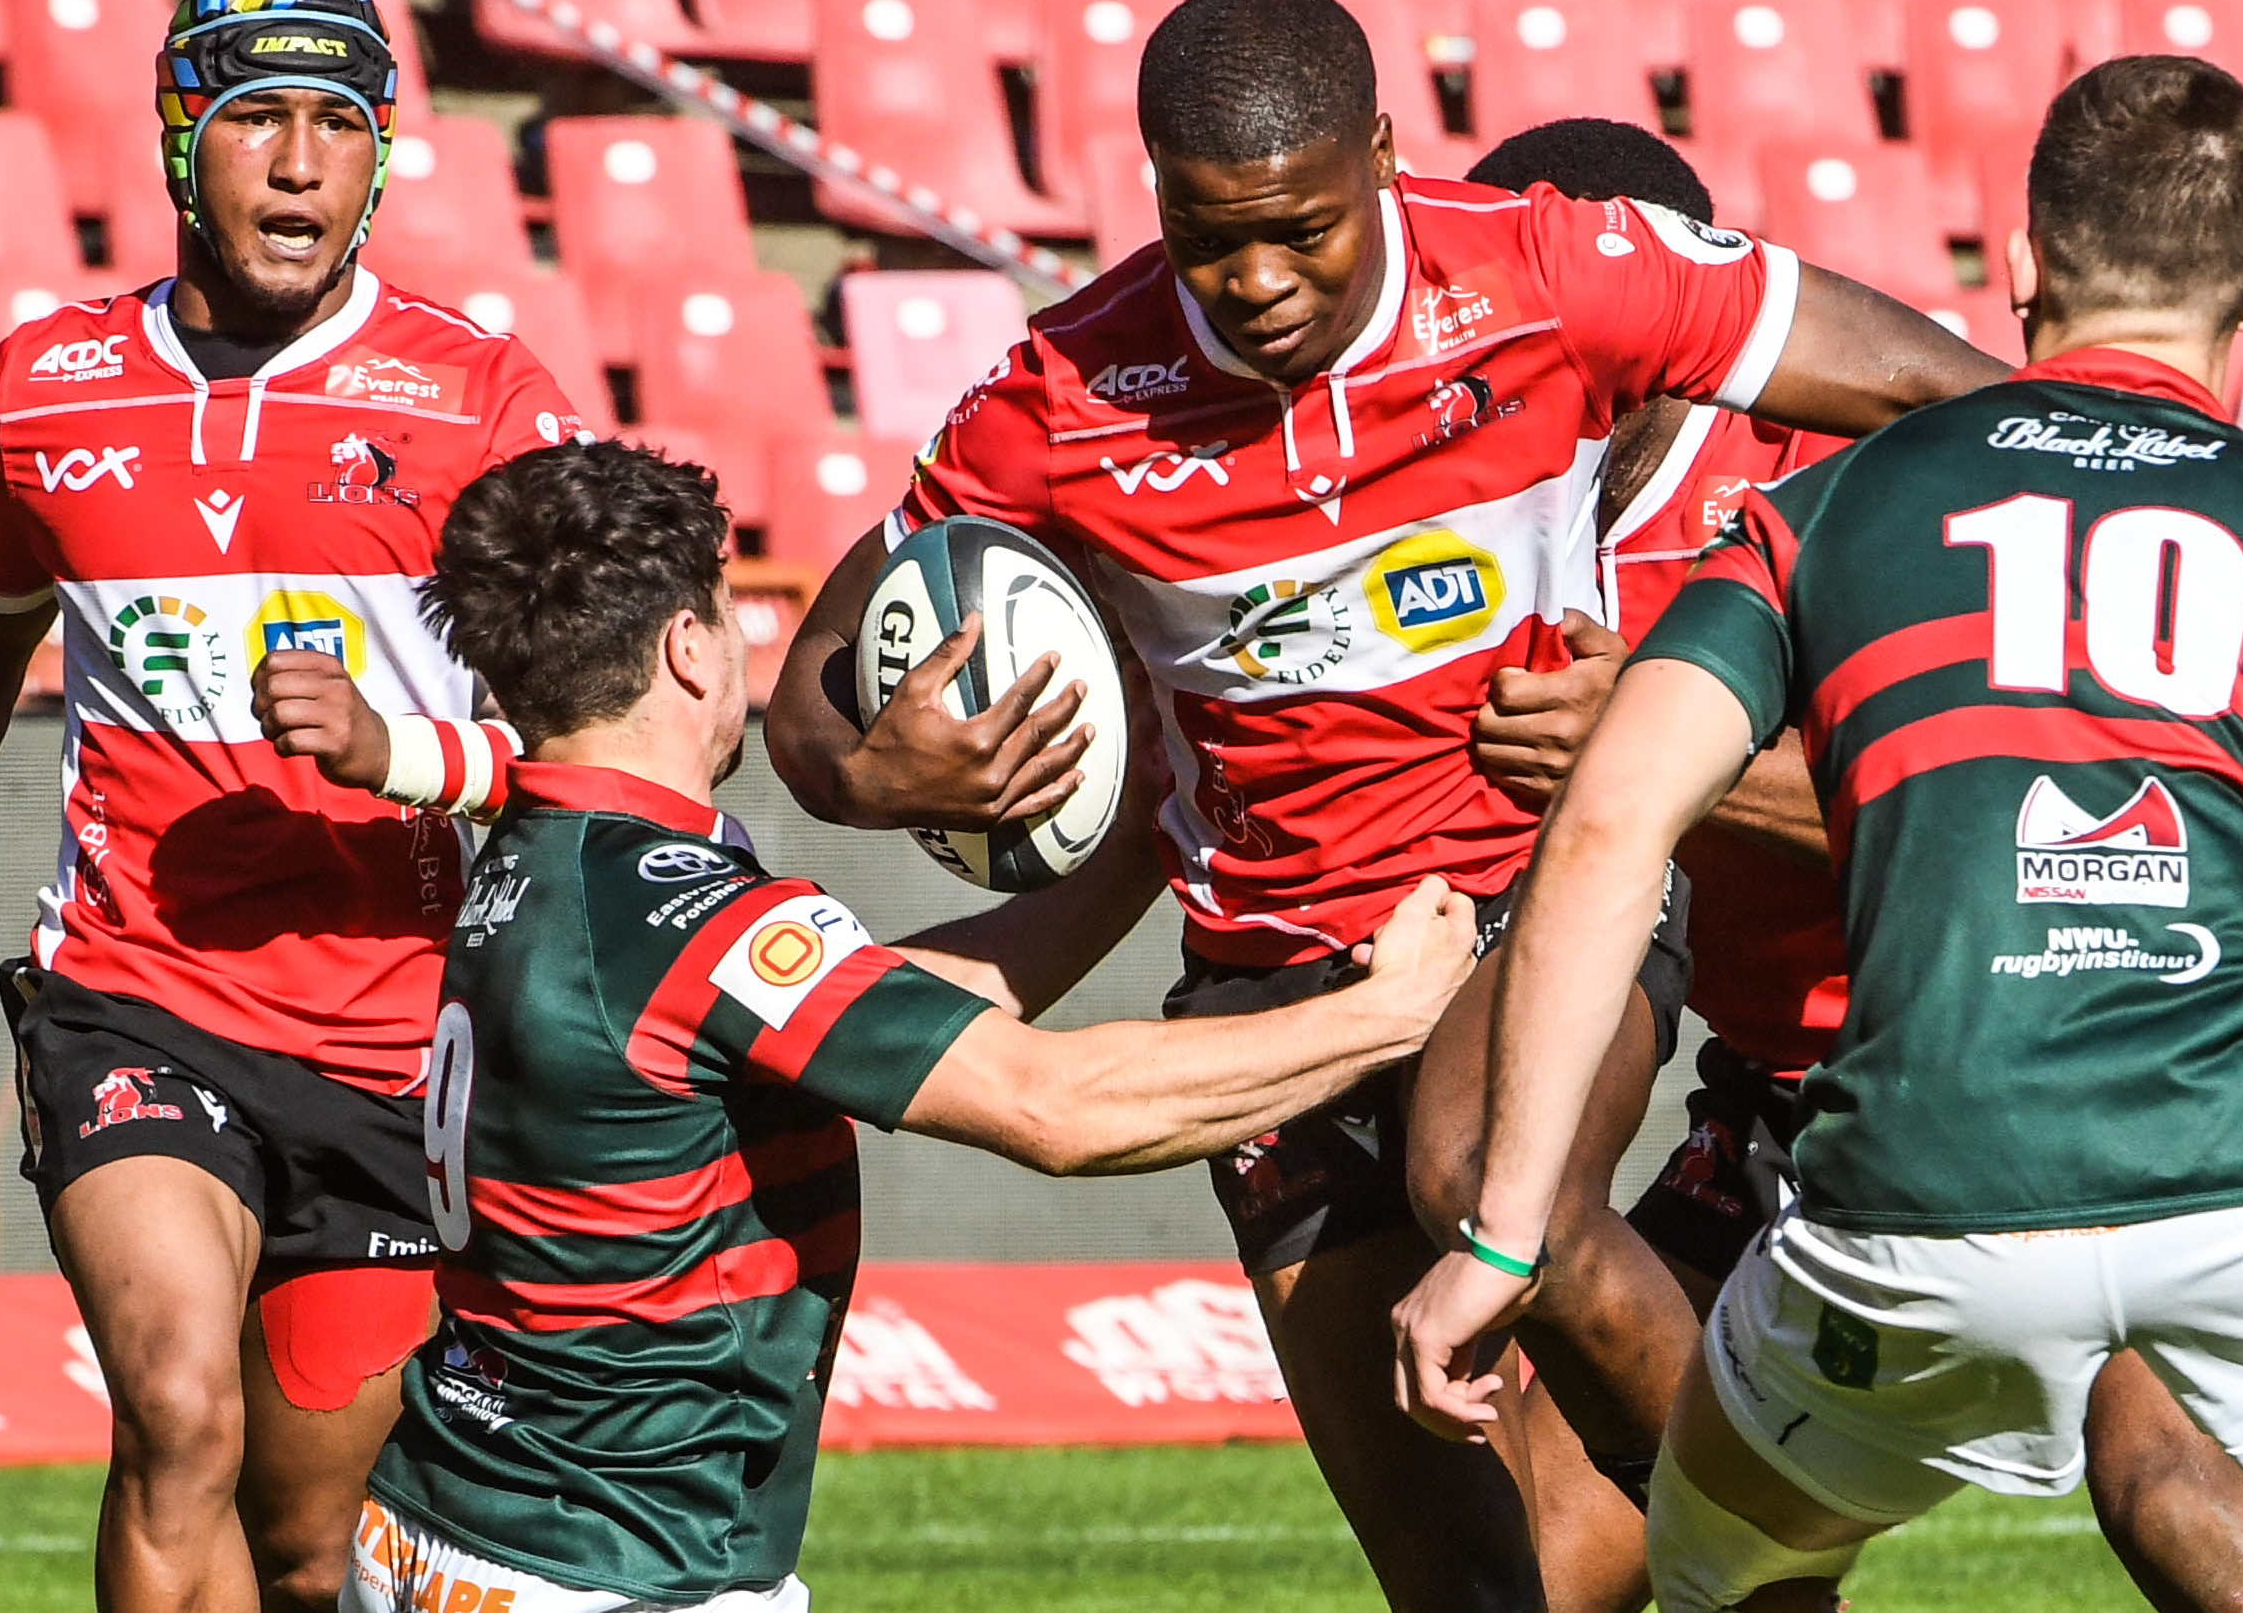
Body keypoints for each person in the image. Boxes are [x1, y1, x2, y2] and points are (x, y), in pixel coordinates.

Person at [758, 0, 2009, 1611]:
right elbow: (811, 688)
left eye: (1303, 231)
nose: (1258, 282)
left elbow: (1951, 398)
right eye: (1209, 239)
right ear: (1153, 194)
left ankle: (1777, 1593)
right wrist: (865, 769)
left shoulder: (1555, 273)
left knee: (1486, 1189)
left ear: (1386, 159)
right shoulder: (1060, 398)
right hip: (1264, 985)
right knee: (1466, 1580)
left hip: (1531, 896)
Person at [1392, 56, 2243, 1613]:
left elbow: (1614, 820)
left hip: (1904, 1149)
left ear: (2016, 264)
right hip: (2220, 1156)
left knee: (1755, 1560)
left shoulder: (1824, 498)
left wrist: (1496, 1234)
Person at [0, 0, 585, 1611]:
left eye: (341, 122)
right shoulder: (48, 387)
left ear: (383, 153)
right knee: (178, 1413)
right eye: (256, 117)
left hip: (395, 1035)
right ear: (182, 137)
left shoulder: (483, 401)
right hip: (134, 1000)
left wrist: (401, 754)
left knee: (313, 1548)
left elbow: (618, 729)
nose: (300, 163)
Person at [1444, 119, 2243, 1613]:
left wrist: (1651, 761)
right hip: (1781, 1108)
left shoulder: (1847, 474)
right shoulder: (1465, 501)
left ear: (1659, 305)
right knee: (1549, 1573)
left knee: (2181, 1501)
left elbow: (2027, 794)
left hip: (2051, 1070)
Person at [343, 437, 1476, 1613]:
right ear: (687, 645)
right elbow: (1055, 1107)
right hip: (613, 1559)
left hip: (440, 1517)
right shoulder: (681, 909)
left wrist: (1152, 815)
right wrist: (1385, 1011)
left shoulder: (544, 862)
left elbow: (891, 1010)